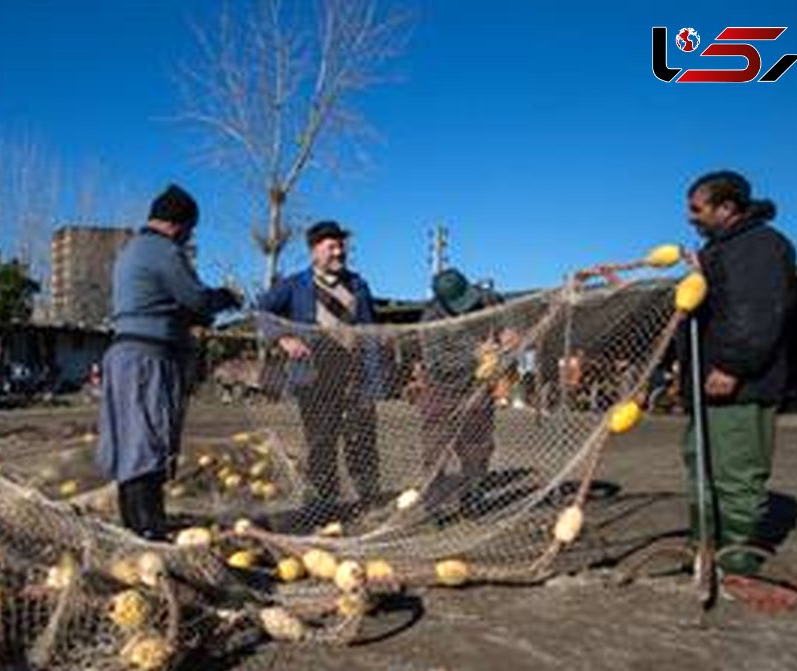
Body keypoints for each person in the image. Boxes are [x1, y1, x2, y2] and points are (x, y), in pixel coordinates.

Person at [96, 184, 242, 540]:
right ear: (179, 224)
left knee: (131, 439)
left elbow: (166, 302)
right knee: (148, 439)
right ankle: (147, 527)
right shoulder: (163, 251)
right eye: (190, 229)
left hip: (126, 355)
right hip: (147, 360)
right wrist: (225, 297)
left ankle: (135, 522)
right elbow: (195, 298)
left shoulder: (133, 250)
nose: (189, 237)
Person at [678, 170, 796, 575]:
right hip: (708, 387)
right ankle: (704, 548)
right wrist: (701, 269)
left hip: (739, 387)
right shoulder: (725, 250)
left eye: (697, 209)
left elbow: (757, 312)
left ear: (727, 208)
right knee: (702, 465)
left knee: (735, 473)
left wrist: (732, 366)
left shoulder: (758, 247)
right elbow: (722, 302)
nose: (690, 217)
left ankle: (738, 560)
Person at [257, 220, 384, 516]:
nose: (339, 252)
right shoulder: (294, 285)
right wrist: (283, 338)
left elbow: (371, 334)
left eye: (342, 246)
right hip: (313, 378)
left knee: (361, 440)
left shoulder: (358, 286)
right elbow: (262, 311)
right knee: (321, 441)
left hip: (354, 377)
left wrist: (374, 381)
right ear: (314, 251)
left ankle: (368, 500)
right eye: (332, 247)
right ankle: (323, 503)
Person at [404, 268, 508, 514]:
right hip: (442, 391)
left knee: (477, 446)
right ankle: (435, 506)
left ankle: (473, 497)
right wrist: (475, 356)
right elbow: (436, 364)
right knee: (436, 449)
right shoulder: (431, 320)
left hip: (477, 389)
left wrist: (506, 333)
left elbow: (504, 311)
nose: (466, 308)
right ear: (442, 301)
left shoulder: (485, 299)